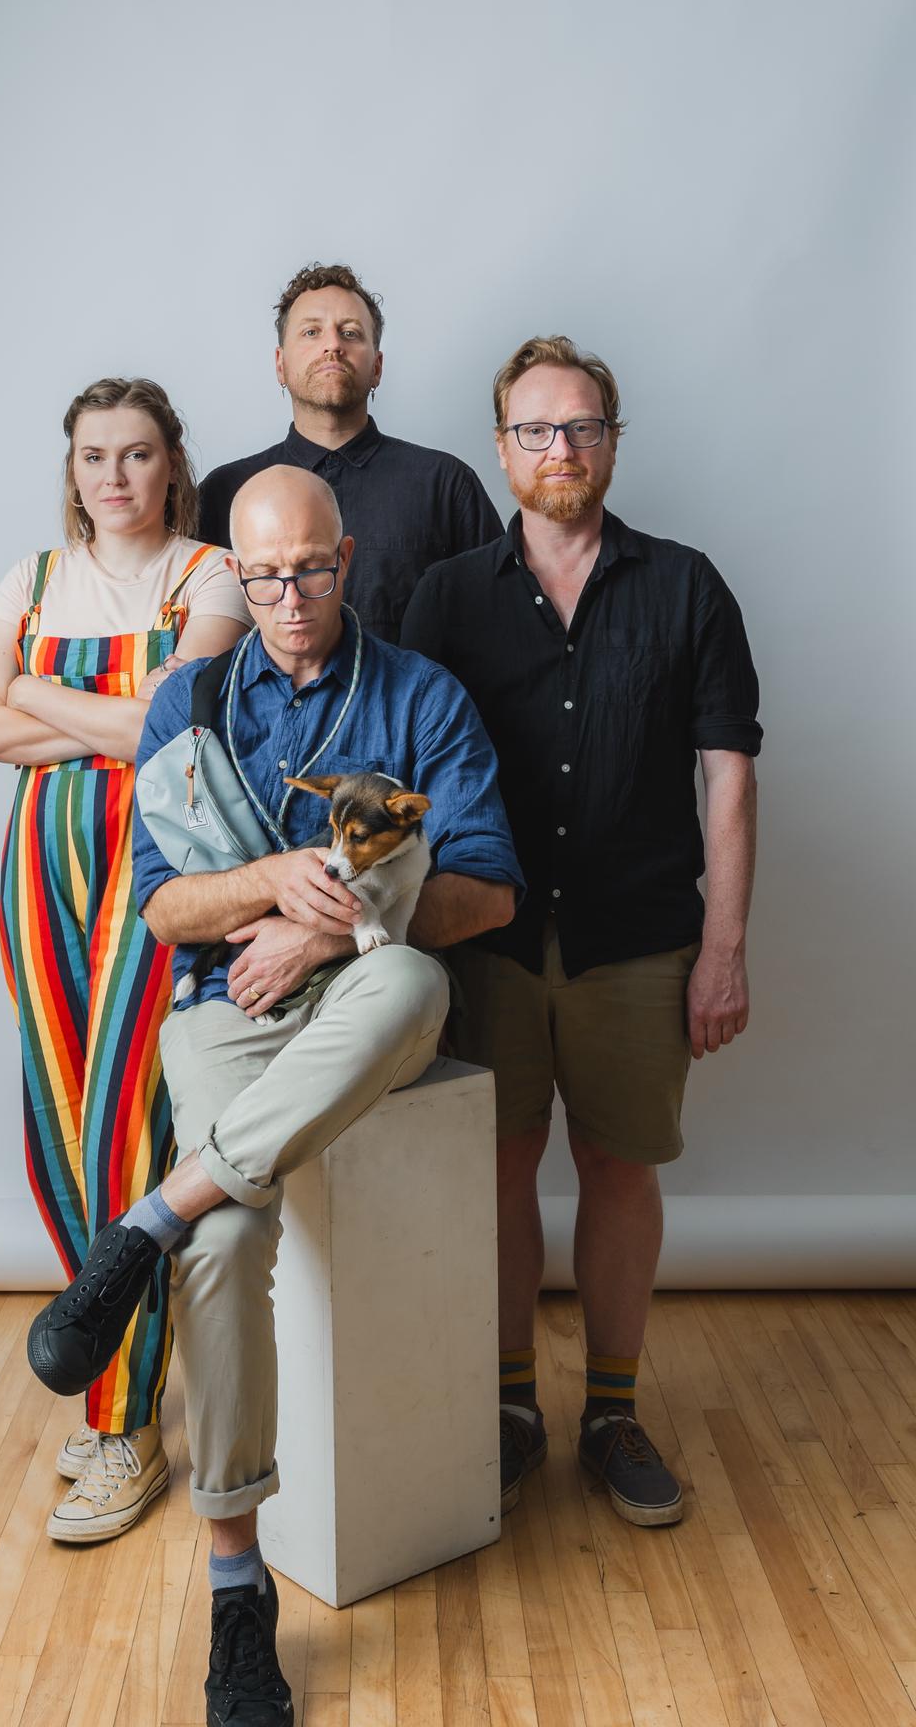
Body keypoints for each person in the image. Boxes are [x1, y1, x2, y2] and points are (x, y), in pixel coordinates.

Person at [27, 466, 523, 1724]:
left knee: (414, 986)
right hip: (225, 1016)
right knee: (227, 1243)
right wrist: (278, 880)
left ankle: (149, 1216)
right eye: (263, 576)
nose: (289, 598)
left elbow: (490, 890)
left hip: (360, 1000)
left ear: (347, 559)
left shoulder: (423, 695)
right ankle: (239, 1592)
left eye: (310, 569)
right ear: (231, 576)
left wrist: (337, 921)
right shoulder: (188, 700)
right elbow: (162, 906)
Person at [401, 336, 761, 1529]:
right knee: (500, 1170)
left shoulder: (687, 585)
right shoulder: (446, 596)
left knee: (618, 1167)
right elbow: (409, 780)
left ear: (613, 439)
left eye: (584, 428)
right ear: (502, 448)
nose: (563, 450)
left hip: (641, 936)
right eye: (538, 431)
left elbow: (727, 778)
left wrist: (724, 948)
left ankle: (612, 1412)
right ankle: (512, 1410)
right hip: (488, 943)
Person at [0, 378, 250, 1543]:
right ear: (71, 468)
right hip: (38, 869)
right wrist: (102, 706)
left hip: (153, 863)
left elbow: (170, 730)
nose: (116, 477)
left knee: (124, 1123)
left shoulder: (212, 573)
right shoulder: (27, 581)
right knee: (53, 1121)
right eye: (96, 457)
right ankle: (117, 1392)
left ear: (173, 463)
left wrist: (40, 685)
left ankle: (123, 1426)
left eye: (138, 455)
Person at [197, 261, 502, 644]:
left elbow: (500, 623)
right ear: (280, 365)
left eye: (350, 333)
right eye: (311, 332)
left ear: (376, 367)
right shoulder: (225, 492)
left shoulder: (444, 485)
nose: (332, 345)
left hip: (414, 704)